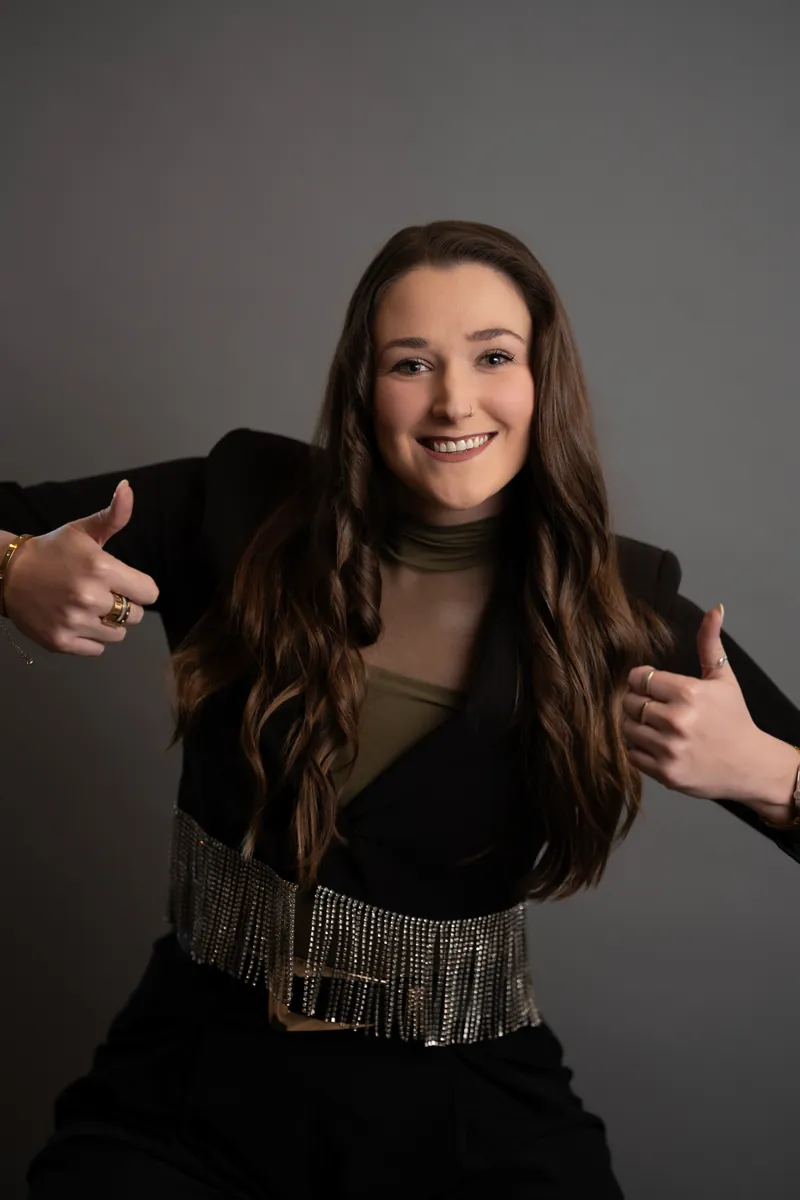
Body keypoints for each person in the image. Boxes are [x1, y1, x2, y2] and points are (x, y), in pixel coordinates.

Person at [2, 221, 799, 1200]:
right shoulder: (241, 501)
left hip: (465, 1112)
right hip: (185, 1089)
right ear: (361, 386)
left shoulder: (618, 604)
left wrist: (766, 773)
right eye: (410, 363)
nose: (454, 400)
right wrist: (14, 568)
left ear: (542, 377)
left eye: (493, 357)